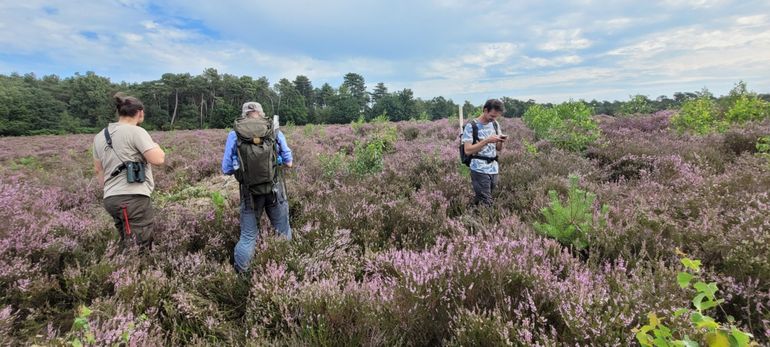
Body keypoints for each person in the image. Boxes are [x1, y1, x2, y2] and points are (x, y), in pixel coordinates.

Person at [222, 102, 293, 273]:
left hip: (249, 193)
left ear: (244, 115)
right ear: (261, 113)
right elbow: (289, 162)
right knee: (282, 231)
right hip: (275, 189)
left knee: (248, 237)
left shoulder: (235, 134)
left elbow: (226, 169)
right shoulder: (273, 130)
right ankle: (286, 269)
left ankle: (243, 275)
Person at [93, 93, 165, 249]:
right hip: (132, 198)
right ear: (140, 112)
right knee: (140, 245)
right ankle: (137, 271)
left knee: (126, 241)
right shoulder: (136, 131)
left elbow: (99, 171)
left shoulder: (100, 136)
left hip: (110, 199)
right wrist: (158, 147)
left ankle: (120, 270)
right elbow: (158, 159)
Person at [462, 98, 507, 205]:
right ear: (485, 110)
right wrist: (487, 141)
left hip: (493, 168)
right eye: (492, 116)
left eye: (496, 116)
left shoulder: (495, 124)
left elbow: (498, 149)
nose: (494, 118)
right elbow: (467, 150)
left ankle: (474, 215)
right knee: (486, 201)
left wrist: (501, 141)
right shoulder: (471, 126)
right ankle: (486, 220)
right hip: (479, 168)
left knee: (483, 199)